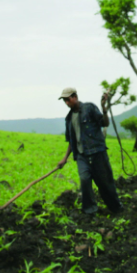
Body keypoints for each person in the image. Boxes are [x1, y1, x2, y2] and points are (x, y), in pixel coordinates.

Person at [57, 87, 123, 216]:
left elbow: (104, 123)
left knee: (105, 183)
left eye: (68, 99)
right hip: (81, 156)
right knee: (84, 179)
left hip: (97, 153)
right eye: (64, 100)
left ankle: (116, 208)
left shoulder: (90, 108)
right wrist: (65, 158)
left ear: (75, 96)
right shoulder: (69, 119)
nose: (66, 103)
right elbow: (72, 141)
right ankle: (90, 211)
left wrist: (104, 108)